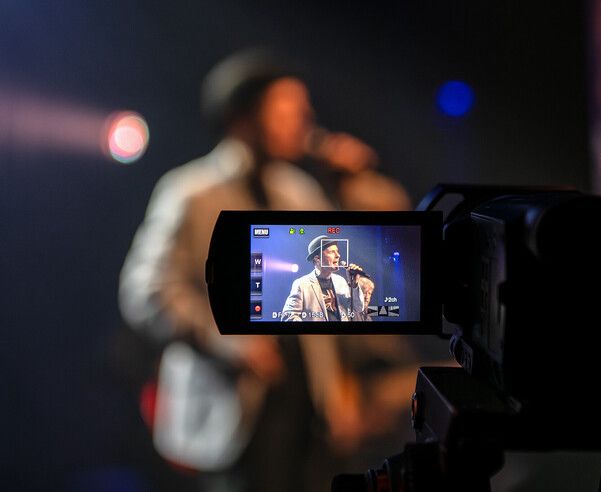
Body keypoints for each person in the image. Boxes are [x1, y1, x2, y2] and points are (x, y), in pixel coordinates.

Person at [119, 49, 410, 492]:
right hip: (235, 410)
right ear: (243, 117)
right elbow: (147, 290)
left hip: (308, 409)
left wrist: (354, 185)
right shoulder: (191, 192)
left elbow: (374, 263)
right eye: (287, 107)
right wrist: (227, 340)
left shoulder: (299, 191)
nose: (304, 117)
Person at [282, 235, 373, 322]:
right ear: (317, 258)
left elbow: (358, 308)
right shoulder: (302, 284)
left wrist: (354, 285)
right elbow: (289, 316)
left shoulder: (340, 281)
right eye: (331, 252)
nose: (338, 255)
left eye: (337, 251)